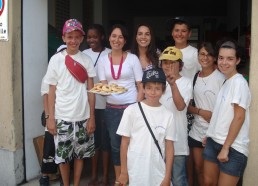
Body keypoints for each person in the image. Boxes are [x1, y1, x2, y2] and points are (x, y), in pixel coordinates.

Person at [44, 19, 96, 186]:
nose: (73, 40)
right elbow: (51, 91)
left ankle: (76, 183)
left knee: (80, 155)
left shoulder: (86, 60)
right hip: (62, 117)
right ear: (63, 38)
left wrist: (92, 117)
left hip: (83, 116)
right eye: (69, 36)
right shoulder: (56, 60)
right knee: (63, 157)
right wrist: (50, 118)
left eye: (77, 37)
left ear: (81, 38)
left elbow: (91, 91)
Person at [97, 24, 144, 184]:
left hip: (131, 108)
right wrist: (101, 91)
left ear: (125, 40)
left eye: (120, 37)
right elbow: (104, 86)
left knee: (133, 145)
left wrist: (137, 107)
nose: (116, 40)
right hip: (112, 110)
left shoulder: (132, 58)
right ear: (109, 38)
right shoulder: (103, 60)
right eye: (114, 36)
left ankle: (134, 178)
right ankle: (120, 180)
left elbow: (140, 85)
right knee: (116, 146)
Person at [203, 39, 251, 186]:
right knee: (208, 182)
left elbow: (239, 117)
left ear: (238, 60)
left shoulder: (239, 83)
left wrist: (225, 148)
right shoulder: (226, 81)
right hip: (214, 142)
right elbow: (221, 114)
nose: (224, 62)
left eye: (230, 59)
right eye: (221, 58)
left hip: (232, 147)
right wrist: (210, 133)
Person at [116, 68, 176, 186]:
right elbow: (124, 143)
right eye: (148, 88)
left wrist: (167, 176)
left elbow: (169, 147)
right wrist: (124, 172)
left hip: (158, 172)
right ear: (142, 88)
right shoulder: (131, 111)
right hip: (136, 171)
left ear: (163, 91)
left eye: (157, 88)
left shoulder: (168, 115)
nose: (152, 92)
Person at [167, 16, 201, 185]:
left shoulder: (195, 53)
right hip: (169, 103)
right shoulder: (167, 51)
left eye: (183, 31)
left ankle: (185, 181)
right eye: (176, 30)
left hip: (187, 102)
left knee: (183, 147)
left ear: (189, 33)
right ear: (172, 33)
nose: (179, 34)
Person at [187, 42, 225, 186]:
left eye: (209, 54)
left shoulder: (221, 78)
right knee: (199, 170)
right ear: (198, 57)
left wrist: (214, 118)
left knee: (212, 175)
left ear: (214, 58)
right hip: (196, 131)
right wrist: (201, 112)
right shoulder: (195, 78)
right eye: (202, 54)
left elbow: (226, 109)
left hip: (214, 133)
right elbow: (188, 107)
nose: (205, 57)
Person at [83, 24, 111, 186]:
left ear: (102, 37)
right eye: (89, 37)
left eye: (95, 36)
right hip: (87, 107)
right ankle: (93, 176)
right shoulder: (83, 54)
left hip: (106, 105)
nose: (91, 39)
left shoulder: (109, 54)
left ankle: (106, 176)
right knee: (93, 144)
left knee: (106, 143)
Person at [159, 46, 192, 186]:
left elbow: (180, 107)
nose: (168, 65)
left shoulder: (186, 82)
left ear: (180, 65)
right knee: (161, 177)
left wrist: (172, 84)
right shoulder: (158, 82)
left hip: (177, 140)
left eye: (172, 62)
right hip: (159, 139)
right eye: (165, 62)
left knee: (178, 178)